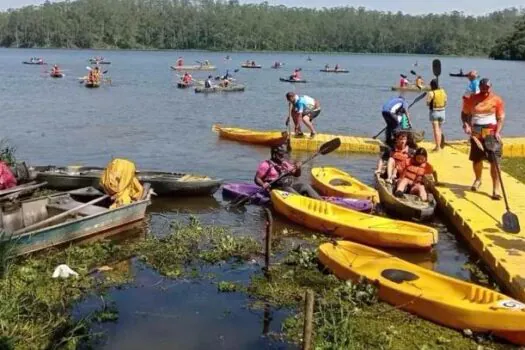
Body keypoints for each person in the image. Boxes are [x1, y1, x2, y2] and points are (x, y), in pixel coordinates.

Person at [462, 78, 505, 200]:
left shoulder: (497, 100)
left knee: (495, 161)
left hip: (490, 132)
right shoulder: (472, 99)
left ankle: (495, 189)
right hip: (476, 132)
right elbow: (464, 114)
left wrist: (498, 131)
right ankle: (478, 179)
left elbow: (501, 117)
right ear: (480, 87)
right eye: (484, 87)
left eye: (488, 87)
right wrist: (466, 125)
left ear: (491, 87)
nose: (486, 89)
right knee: (476, 159)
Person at [254, 144, 321, 199]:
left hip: (290, 186)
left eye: (283, 154)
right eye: (280, 155)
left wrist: (298, 168)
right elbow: (257, 178)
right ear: (274, 154)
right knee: (288, 189)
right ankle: (301, 202)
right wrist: (263, 184)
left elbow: (296, 175)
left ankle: (321, 202)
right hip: (276, 190)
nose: (283, 156)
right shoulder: (266, 165)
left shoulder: (285, 163)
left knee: (305, 186)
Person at [426, 79, 447, 152]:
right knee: (439, 129)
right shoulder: (443, 91)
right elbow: (445, 101)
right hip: (442, 112)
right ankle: (439, 146)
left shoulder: (431, 93)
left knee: (436, 130)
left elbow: (427, 103)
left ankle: (437, 147)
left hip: (434, 112)